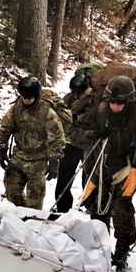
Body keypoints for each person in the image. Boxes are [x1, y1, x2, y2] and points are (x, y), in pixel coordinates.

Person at [72, 75, 136, 272]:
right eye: (112, 101)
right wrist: (94, 135)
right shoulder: (99, 111)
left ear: (129, 101)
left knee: (123, 214)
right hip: (99, 168)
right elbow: (74, 132)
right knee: (97, 213)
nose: (115, 106)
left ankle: (121, 256)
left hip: (127, 170)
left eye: (119, 103)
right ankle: (99, 254)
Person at [0, 76, 64, 210]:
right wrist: (2, 148)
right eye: (24, 97)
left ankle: (31, 219)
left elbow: (57, 138)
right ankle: (21, 213)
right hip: (19, 156)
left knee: (35, 198)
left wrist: (55, 161)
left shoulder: (47, 113)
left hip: (38, 159)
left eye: (30, 98)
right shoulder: (16, 109)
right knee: (12, 190)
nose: (26, 100)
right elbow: (5, 128)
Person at [53, 71, 93, 213]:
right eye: (74, 92)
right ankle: (63, 209)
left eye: (79, 93)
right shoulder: (68, 99)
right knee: (64, 178)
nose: (76, 95)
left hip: (90, 145)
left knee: (88, 180)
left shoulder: (95, 100)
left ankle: (91, 208)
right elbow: (62, 119)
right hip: (71, 144)